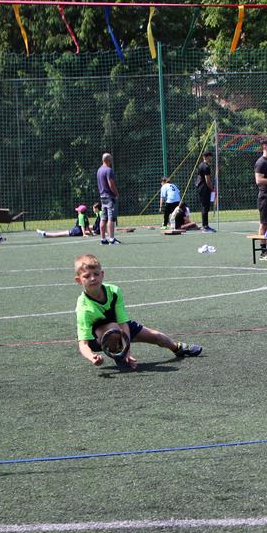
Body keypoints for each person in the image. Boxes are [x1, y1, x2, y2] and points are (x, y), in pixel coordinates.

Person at [73, 254, 202, 369]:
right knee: (113, 329)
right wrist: (92, 357)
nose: (93, 278)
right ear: (79, 280)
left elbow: (123, 323)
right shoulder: (84, 308)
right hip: (97, 339)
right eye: (87, 276)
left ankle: (177, 348)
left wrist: (127, 349)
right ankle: (119, 354)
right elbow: (83, 344)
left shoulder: (114, 291)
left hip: (120, 328)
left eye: (96, 274)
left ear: (102, 274)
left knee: (157, 336)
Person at [97, 152, 121, 245]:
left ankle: (103, 239)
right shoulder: (108, 170)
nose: (111, 161)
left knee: (103, 218)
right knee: (111, 218)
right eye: (110, 160)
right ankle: (111, 239)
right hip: (110, 197)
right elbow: (110, 183)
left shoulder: (99, 170)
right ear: (108, 160)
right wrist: (116, 193)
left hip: (102, 197)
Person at [195, 150, 216, 232]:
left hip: (201, 187)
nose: (211, 158)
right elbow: (207, 180)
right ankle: (205, 226)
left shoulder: (201, 165)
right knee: (205, 207)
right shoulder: (206, 167)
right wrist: (212, 188)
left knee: (205, 207)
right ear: (207, 157)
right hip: (204, 188)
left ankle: (205, 225)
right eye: (210, 156)